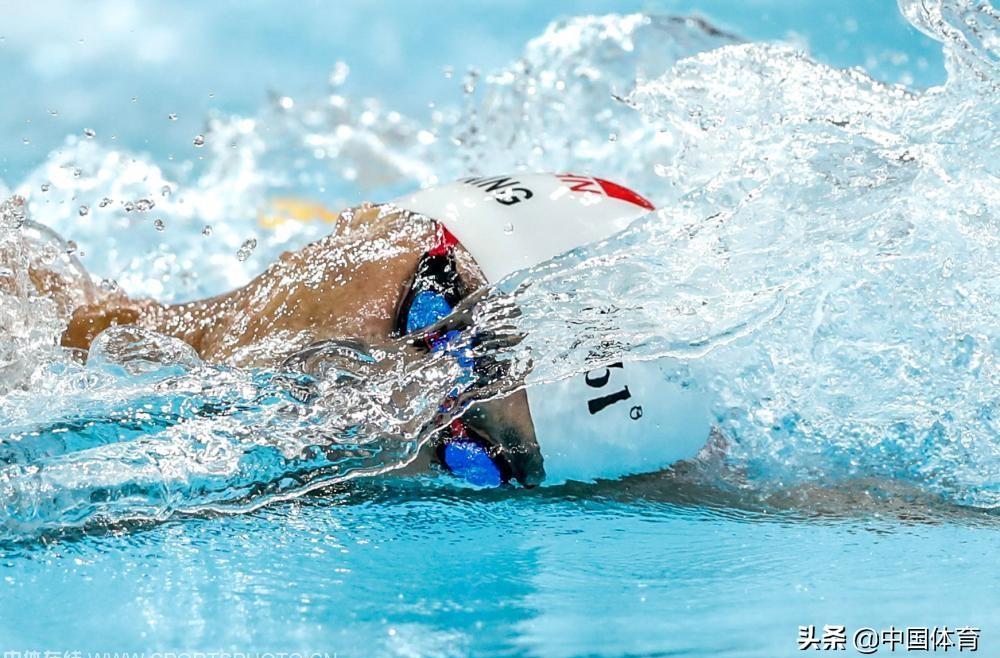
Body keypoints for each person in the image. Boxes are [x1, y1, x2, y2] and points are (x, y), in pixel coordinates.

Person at [55, 173, 715, 487]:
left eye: (468, 449)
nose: (398, 405)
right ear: (372, 220)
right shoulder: (23, 311)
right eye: (432, 314)